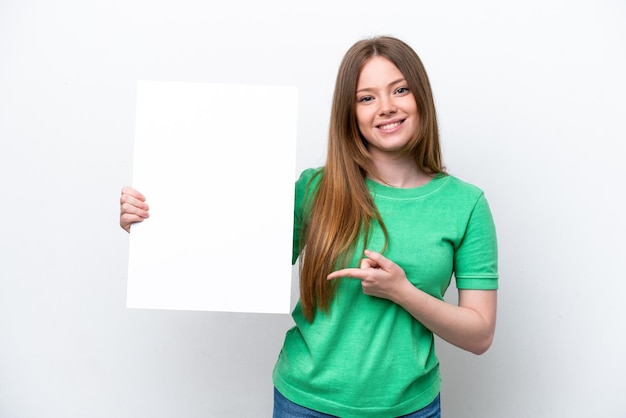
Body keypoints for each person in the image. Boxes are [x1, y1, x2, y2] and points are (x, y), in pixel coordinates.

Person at [120, 36, 498, 418]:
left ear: (421, 98)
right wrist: (154, 227)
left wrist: (402, 291)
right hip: (305, 404)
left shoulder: (466, 204)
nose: (386, 107)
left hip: (411, 408)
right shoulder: (316, 189)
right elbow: (234, 255)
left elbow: (479, 334)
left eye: (400, 90)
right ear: (349, 113)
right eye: (366, 98)